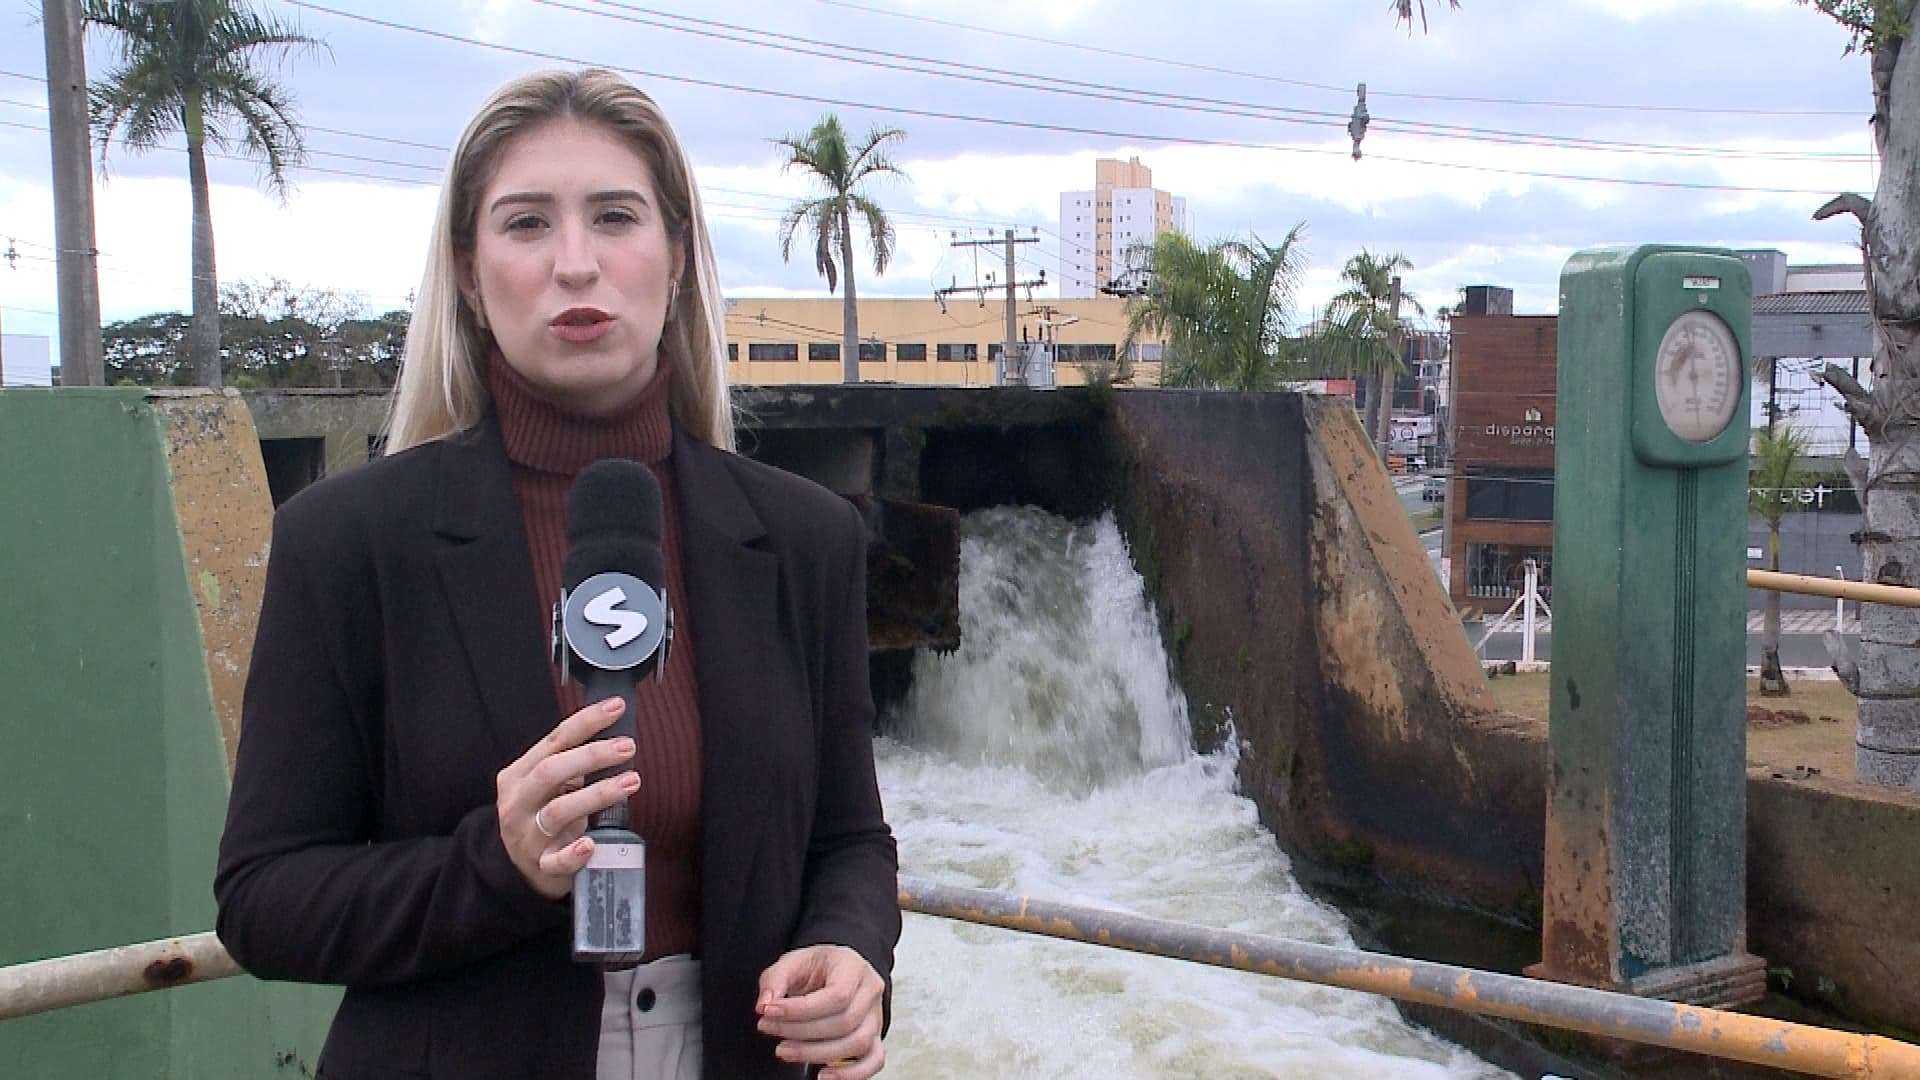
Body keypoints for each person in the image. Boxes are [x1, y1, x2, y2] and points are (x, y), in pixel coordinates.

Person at [214, 68, 900, 1080]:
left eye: (614, 217)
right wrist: (493, 863)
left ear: (676, 254)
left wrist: (851, 948)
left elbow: (849, 838)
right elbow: (263, 902)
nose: (575, 264)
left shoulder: (804, 539)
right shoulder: (348, 542)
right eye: (526, 224)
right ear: (465, 268)